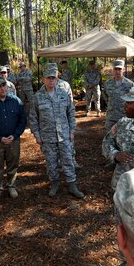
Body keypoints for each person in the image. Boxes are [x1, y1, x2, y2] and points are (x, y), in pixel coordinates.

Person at [30, 69, 84, 199]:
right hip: (47, 137)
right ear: (43, 79)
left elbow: (71, 112)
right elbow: (33, 118)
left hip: (64, 135)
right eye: (48, 78)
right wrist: (37, 135)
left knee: (68, 160)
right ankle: (54, 184)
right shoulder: (37, 97)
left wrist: (72, 131)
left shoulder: (64, 93)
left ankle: (72, 185)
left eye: (53, 78)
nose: (51, 80)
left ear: (56, 79)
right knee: (51, 162)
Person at [104, 59, 134, 132]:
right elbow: (105, 96)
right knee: (109, 138)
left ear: (123, 69)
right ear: (113, 70)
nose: (117, 71)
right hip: (110, 117)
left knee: (124, 139)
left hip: (124, 117)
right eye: (115, 69)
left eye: (120, 69)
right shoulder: (108, 83)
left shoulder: (129, 84)